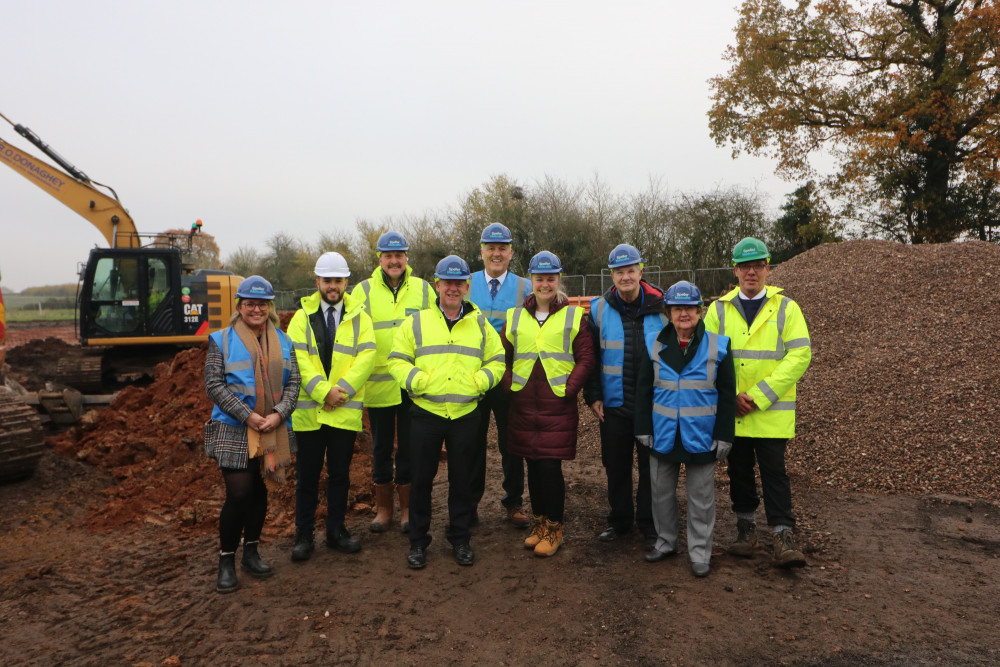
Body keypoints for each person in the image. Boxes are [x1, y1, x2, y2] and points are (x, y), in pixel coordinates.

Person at [387, 255, 505, 569]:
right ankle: (418, 542)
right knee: (421, 479)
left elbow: (497, 360)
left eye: (458, 283)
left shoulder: (479, 322)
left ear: (467, 286)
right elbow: (397, 360)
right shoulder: (417, 322)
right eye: (447, 283)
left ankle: (461, 539)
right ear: (437, 285)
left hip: (465, 414)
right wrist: (418, 380)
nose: (452, 289)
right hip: (426, 412)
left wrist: (481, 382)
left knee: (462, 481)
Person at [703, 237, 812, 568]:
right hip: (733, 410)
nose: (751, 272)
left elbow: (800, 354)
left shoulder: (786, 308)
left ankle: (782, 534)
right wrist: (730, 395)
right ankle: (745, 529)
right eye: (745, 266)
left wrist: (760, 395)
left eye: (758, 265)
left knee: (775, 473)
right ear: (735, 271)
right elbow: (706, 357)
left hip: (769, 413)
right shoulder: (718, 310)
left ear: (768, 268)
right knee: (738, 471)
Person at [203, 275, 300, 594]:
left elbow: (293, 384)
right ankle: (226, 560)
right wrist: (249, 416)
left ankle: (252, 553)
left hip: (271, 427)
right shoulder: (221, 340)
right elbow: (214, 385)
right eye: (249, 304)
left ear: (269, 307)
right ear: (240, 307)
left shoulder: (284, 341)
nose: (256, 309)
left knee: (260, 492)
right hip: (234, 428)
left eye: (261, 304)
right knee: (240, 493)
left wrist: (278, 414)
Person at [635, 281, 735, 577]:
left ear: (700, 311)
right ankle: (666, 542)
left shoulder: (719, 345)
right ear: (668, 311)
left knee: (701, 498)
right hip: (663, 432)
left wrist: (724, 435)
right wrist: (642, 427)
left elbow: (727, 394)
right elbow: (643, 390)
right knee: (661, 493)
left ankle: (700, 552)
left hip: (701, 435)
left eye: (689, 308)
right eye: (677, 308)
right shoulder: (654, 343)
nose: (683, 314)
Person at [501, 251, 596, 557]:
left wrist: (569, 389)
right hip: (524, 405)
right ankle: (539, 524)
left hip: (556, 405)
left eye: (550, 278)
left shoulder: (572, 315)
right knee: (531, 463)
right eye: (539, 279)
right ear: (531, 281)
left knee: (549, 468)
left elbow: (586, 357)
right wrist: (508, 385)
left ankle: (555, 528)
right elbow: (501, 356)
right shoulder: (515, 317)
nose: (545, 284)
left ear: (558, 280)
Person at [287, 252, 376, 561]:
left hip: (343, 411)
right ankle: (304, 535)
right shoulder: (302, 317)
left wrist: (343, 392)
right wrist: (324, 391)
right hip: (310, 413)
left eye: (338, 280)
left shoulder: (361, 317)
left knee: (339, 476)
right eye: (328, 280)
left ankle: (337, 531)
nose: (333, 286)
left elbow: (367, 357)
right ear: (318, 282)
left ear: (346, 282)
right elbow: (297, 358)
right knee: (307, 478)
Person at [583, 243, 667, 548]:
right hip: (614, 405)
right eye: (619, 272)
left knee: (651, 469)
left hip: (654, 405)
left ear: (641, 271)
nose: (625, 276)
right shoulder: (598, 309)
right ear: (612, 275)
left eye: (631, 270)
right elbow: (589, 357)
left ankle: (649, 524)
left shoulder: (664, 305)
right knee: (616, 466)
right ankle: (619, 521)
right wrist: (592, 395)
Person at [352, 231, 435, 535]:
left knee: (410, 448)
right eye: (388, 256)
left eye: (399, 256)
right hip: (379, 384)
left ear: (406, 258)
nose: (394, 261)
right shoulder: (362, 292)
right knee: (381, 447)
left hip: (412, 384)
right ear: (380, 259)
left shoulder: (425, 291)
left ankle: (408, 509)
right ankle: (384, 509)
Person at [468, 222, 531, 528]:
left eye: (502, 248)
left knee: (512, 441)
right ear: (482, 251)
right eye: (490, 248)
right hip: (474, 376)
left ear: (511, 252)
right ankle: (470, 503)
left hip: (509, 376)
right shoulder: (465, 284)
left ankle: (514, 502)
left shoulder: (524, 287)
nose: (496, 254)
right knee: (471, 442)